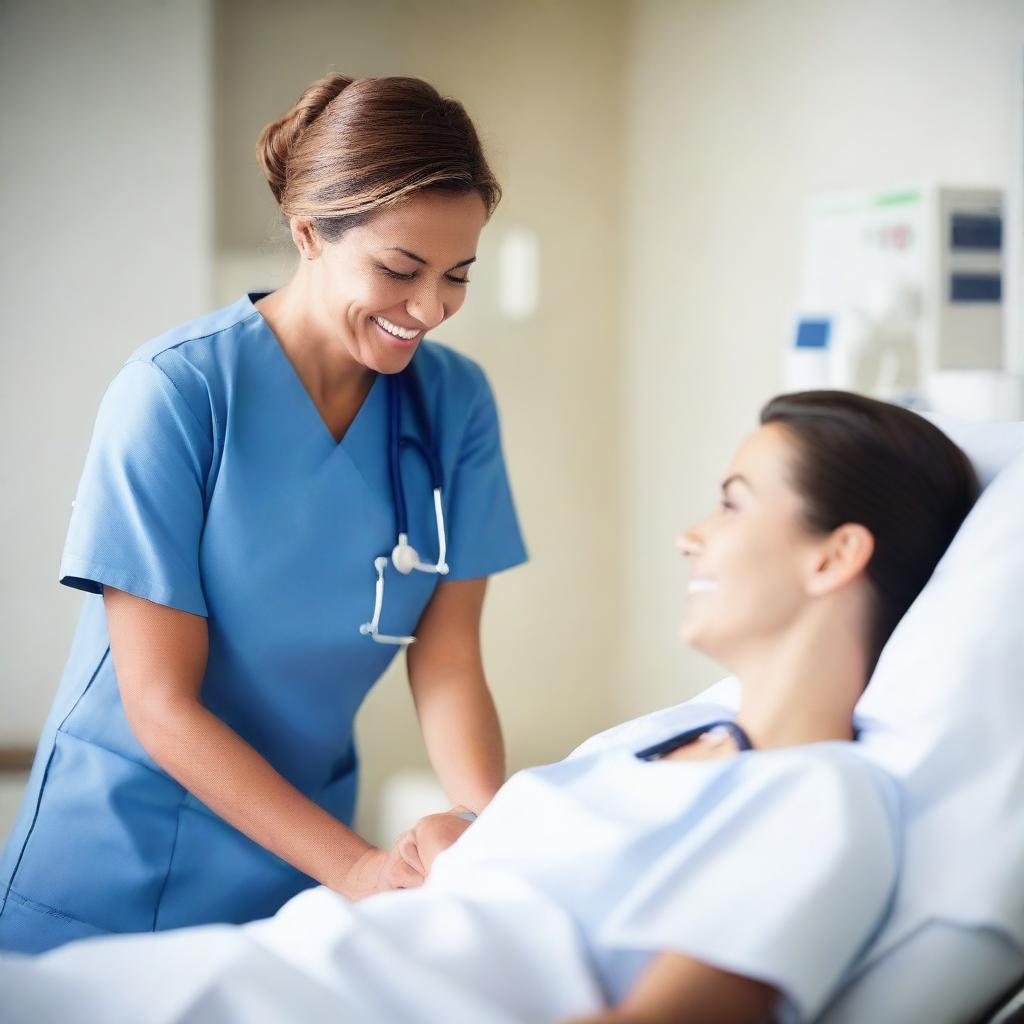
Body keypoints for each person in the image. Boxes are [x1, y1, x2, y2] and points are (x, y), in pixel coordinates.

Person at [0, 392, 978, 1024]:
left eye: (730, 501)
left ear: (832, 555)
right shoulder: (656, 741)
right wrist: (470, 844)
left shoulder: (823, 796)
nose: (689, 535)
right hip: (251, 973)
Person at [0, 73, 527, 955]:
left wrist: (484, 828)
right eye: (400, 269)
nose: (431, 308)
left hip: (300, 861)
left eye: (457, 275)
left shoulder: (455, 404)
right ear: (308, 231)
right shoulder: (176, 393)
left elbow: (448, 657)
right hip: (120, 863)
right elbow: (160, 703)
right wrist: (357, 869)